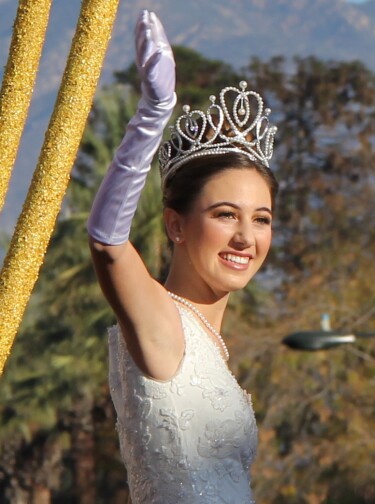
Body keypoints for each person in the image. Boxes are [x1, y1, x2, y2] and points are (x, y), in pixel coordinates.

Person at [87, 10, 278, 503]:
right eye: (225, 215)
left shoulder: (209, 345)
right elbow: (108, 242)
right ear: (176, 224)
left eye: (261, 219)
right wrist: (153, 113)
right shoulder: (163, 321)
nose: (245, 237)